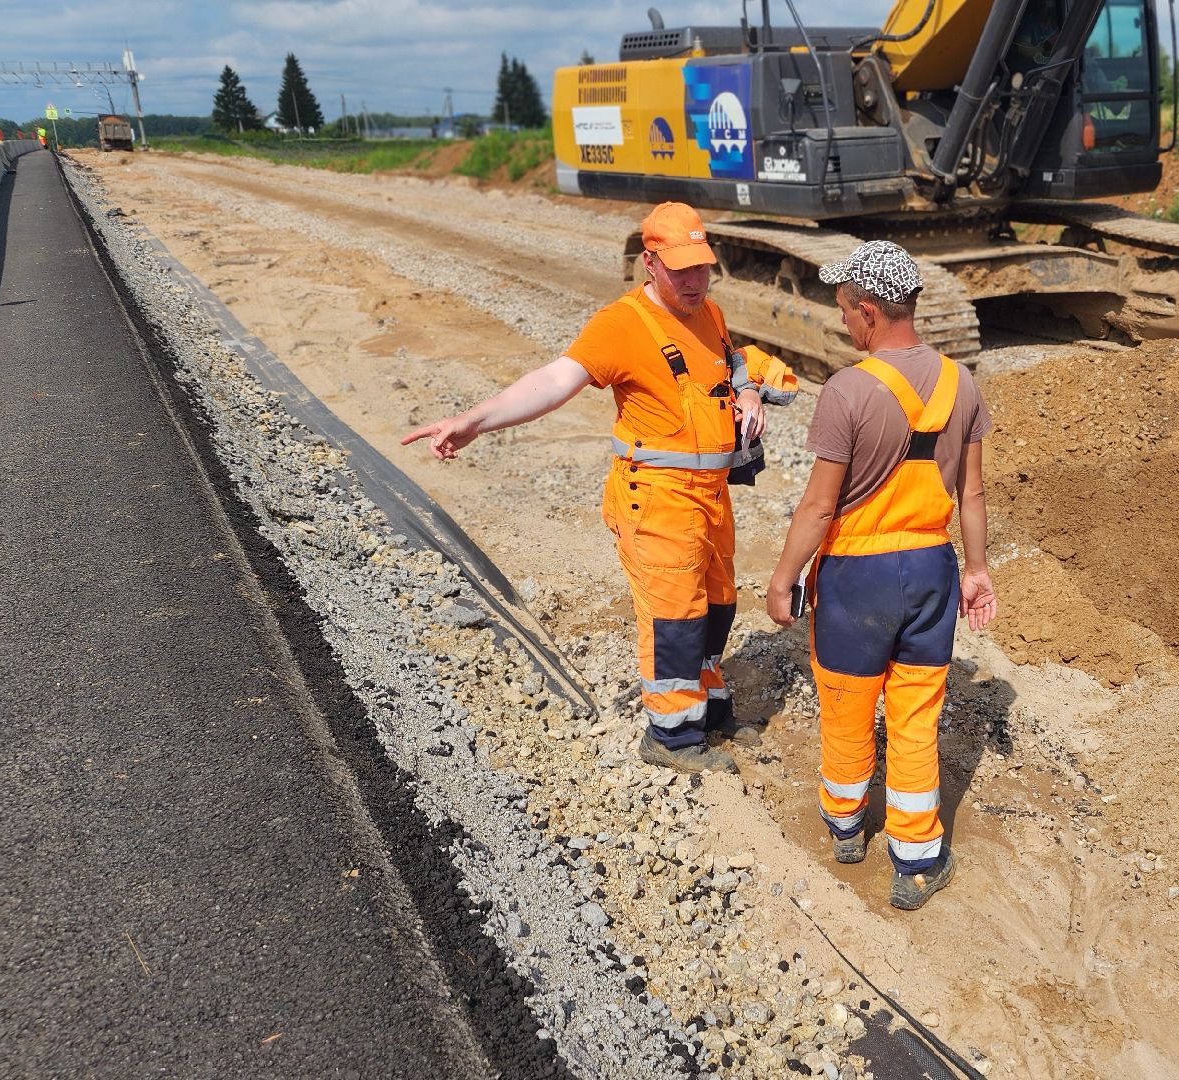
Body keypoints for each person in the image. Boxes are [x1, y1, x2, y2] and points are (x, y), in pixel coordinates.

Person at [404, 202, 795, 773]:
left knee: (717, 603)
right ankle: (671, 738)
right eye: (680, 269)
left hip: (710, 495)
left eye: (702, 267)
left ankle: (707, 709)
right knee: (674, 616)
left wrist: (750, 390)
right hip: (658, 497)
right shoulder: (622, 324)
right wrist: (475, 421)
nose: (693, 280)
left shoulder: (707, 312)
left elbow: (727, 363)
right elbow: (555, 380)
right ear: (651, 263)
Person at [766, 241, 997, 911]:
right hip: (930, 570)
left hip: (856, 579)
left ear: (868, 312)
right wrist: (977, 570)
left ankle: (845, 827)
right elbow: (973, 497)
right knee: (916, 716)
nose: (842, 321)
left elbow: (818, 506)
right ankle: (917, 861)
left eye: (843, 309)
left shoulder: (848, 390)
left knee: (846, 706)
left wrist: (785, 576)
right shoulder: (964, 384)